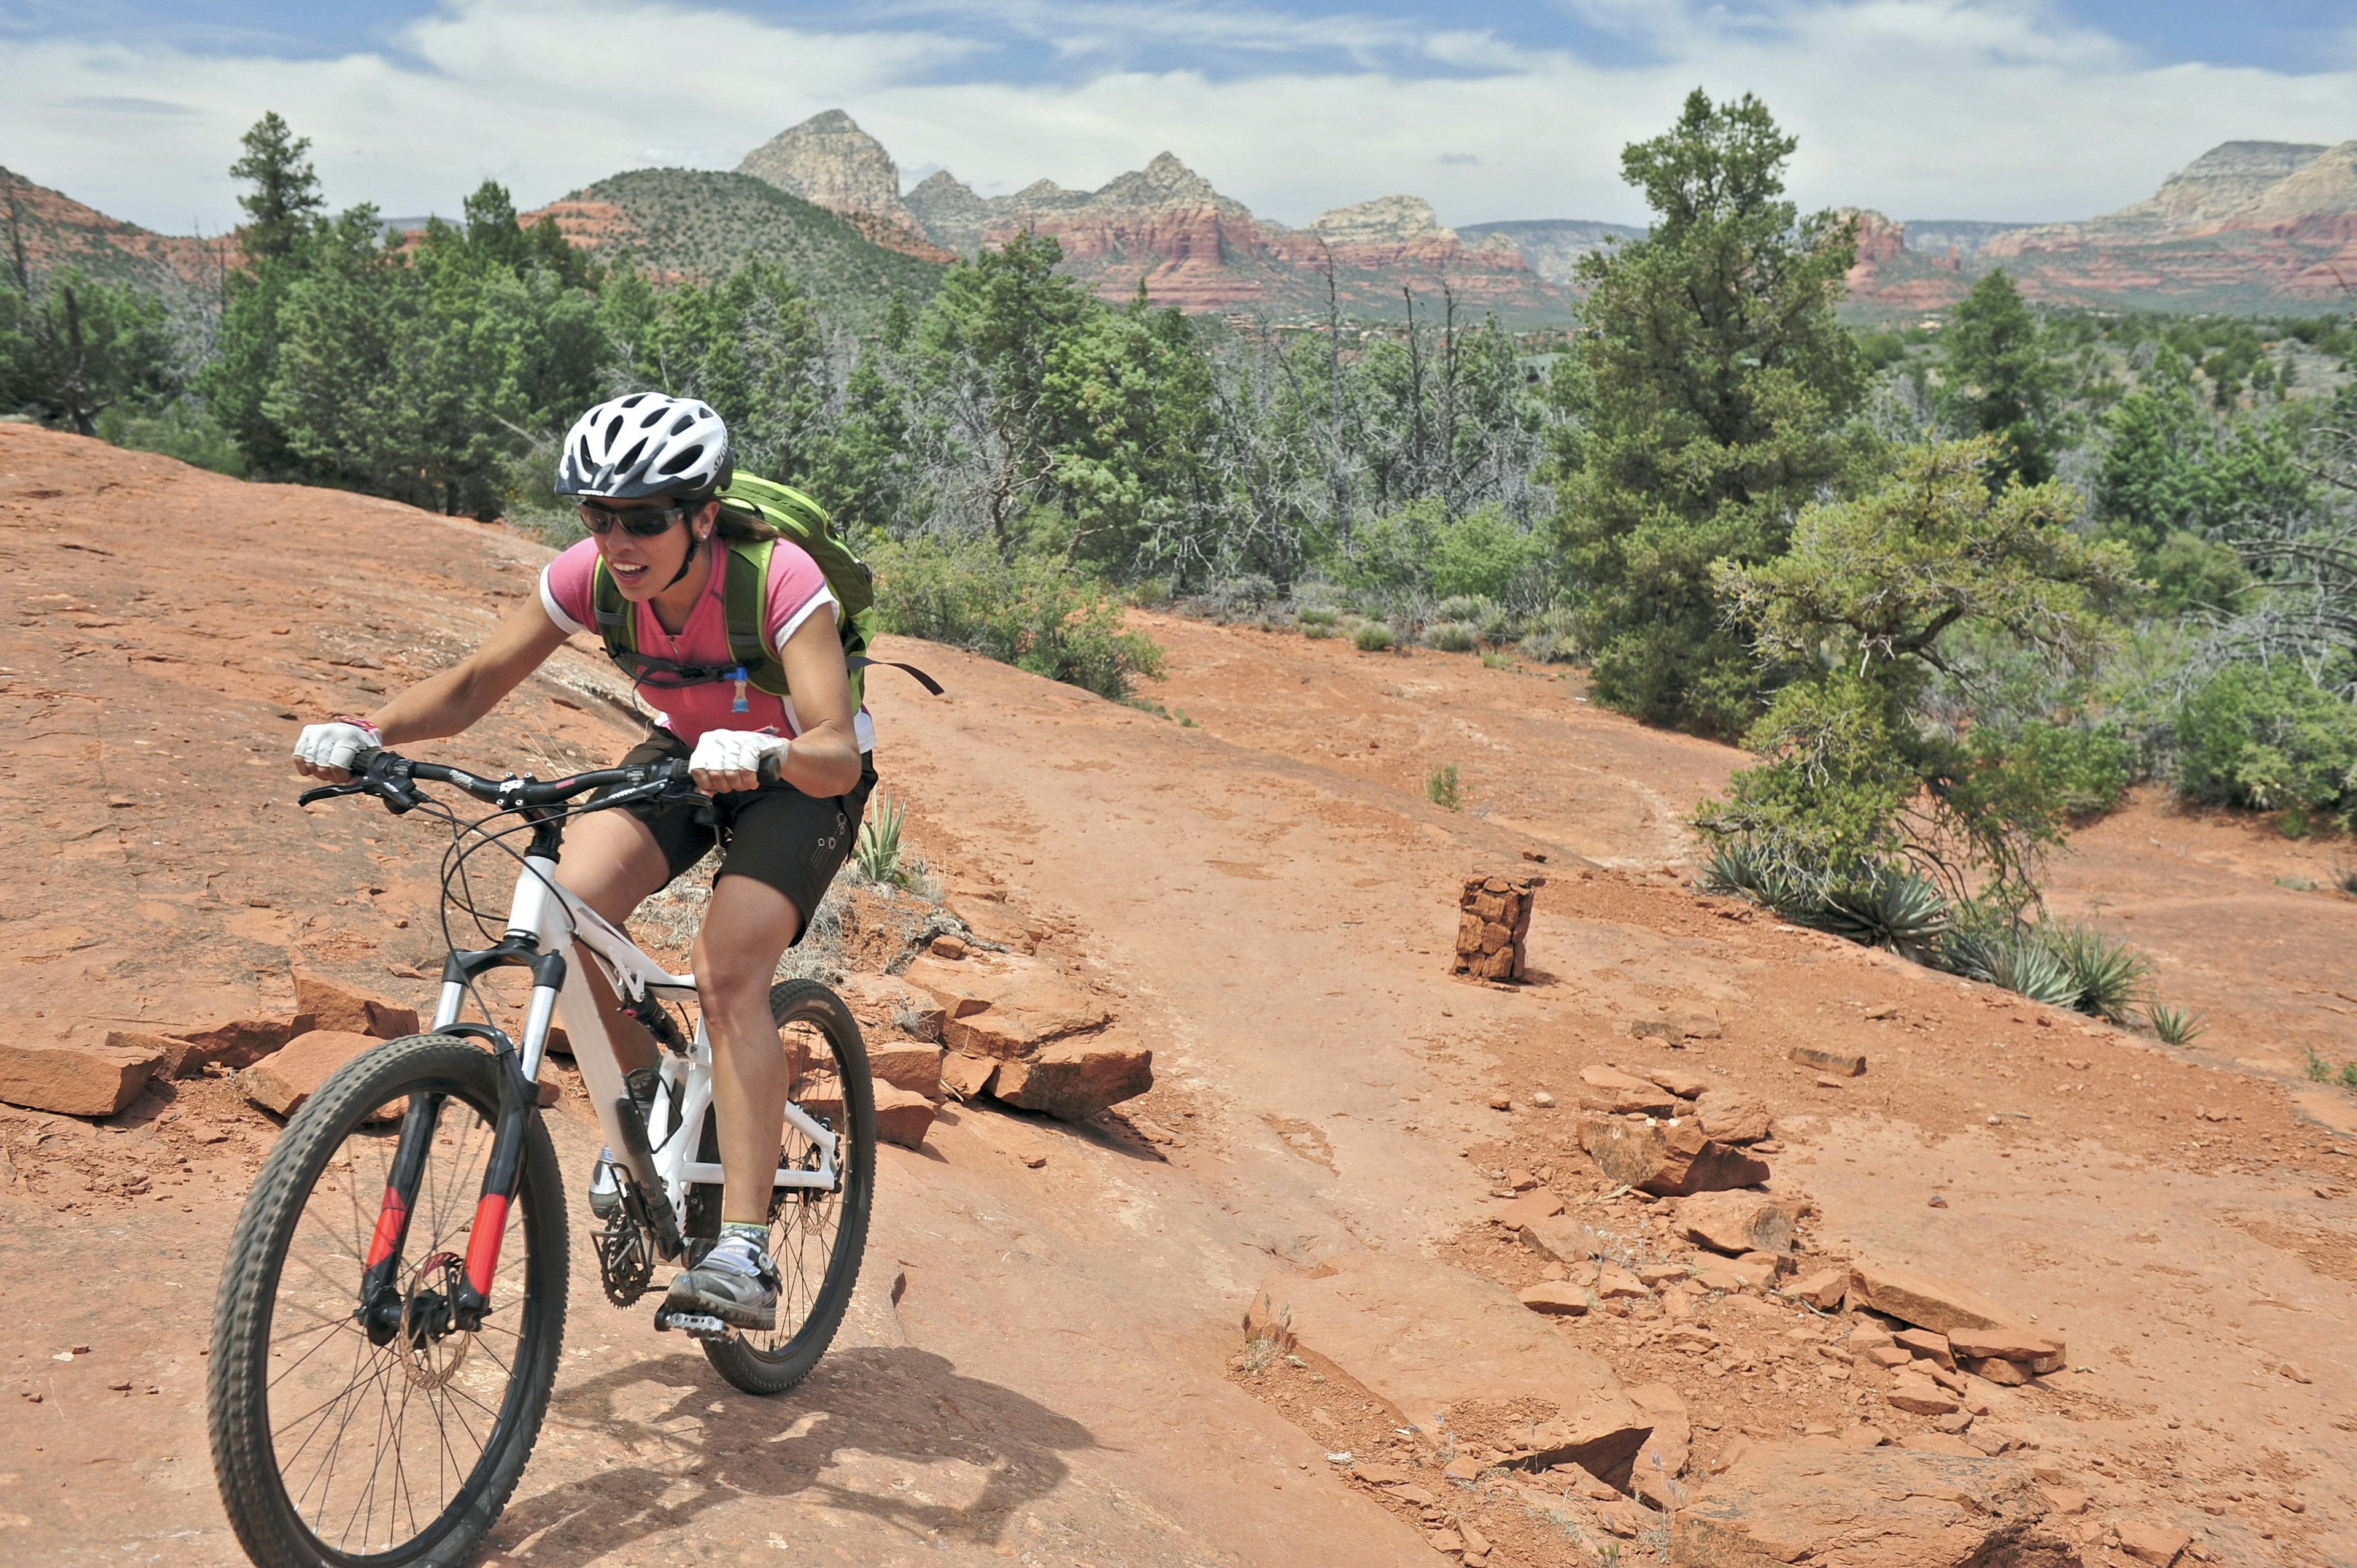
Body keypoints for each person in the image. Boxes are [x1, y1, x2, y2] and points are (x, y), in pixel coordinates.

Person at [290, 392, 874, 1332]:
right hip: (682, 755)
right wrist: (367, 728)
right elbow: (476, 683)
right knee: (564, 898)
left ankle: (744, 1250)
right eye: (599, 518)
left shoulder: (776, 576)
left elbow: (836, 745)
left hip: (797, 774)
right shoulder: (586, 578)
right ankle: (645, 1117)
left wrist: (766, 755)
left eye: (644, 520)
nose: (619, 541)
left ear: (703, 514)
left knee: (728, 974)